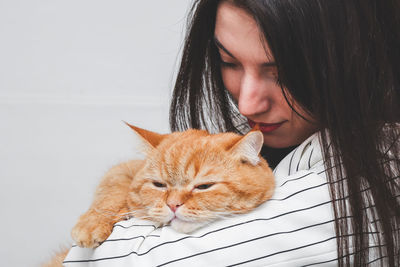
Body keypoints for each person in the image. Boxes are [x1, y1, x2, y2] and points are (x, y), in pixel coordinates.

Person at [64, 0, 400, 266]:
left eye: (283, 73)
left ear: (358, 60)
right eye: (229, 62)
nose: (248, 104)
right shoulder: (251, 138)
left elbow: (106, 261)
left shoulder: (377, 169)